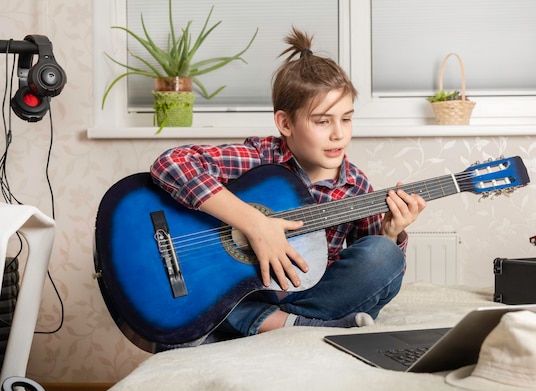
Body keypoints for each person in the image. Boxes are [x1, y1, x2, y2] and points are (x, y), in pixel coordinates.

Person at [150, 27, 426, 338]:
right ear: (285, 123)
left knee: (383, 254)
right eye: (322, 121)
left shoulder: (355, 185)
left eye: (346, 119)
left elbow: (378, 277)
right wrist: (255, 224)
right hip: (239, 288)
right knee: (189, 306)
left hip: (304, 294)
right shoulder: (260, 157)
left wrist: (390, 233)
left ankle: (265, 321)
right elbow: (170, 163)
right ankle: (284, 323)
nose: (339, 134)